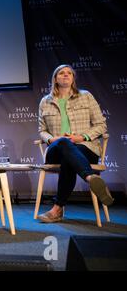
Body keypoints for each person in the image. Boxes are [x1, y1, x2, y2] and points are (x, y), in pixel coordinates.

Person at [37, 64, 113, 223]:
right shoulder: (45, 101)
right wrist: (51, 139)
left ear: (73, 78)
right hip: (56, 149)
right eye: (61, 73)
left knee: (69, 160)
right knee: (64, 144)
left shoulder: (86, 96)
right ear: (55, 79)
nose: (65, 75)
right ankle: (90, 177)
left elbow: (101, 125)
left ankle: (57, 209)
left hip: (85, 147)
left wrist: (82, 137)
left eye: (69, 73)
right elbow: (42, 130)